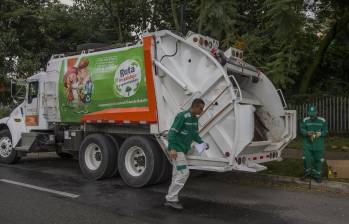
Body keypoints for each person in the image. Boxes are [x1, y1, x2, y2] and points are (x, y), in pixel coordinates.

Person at [165, 98, 208, 210]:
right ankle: (171, 199)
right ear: (195, 106)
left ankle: (170, 197)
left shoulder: (195, 119)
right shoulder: (182, 116)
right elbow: (172, 133)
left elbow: (194, 134)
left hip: (183, 150)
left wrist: (202, 143)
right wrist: (172, 148)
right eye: (201, 108)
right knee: (184, 173)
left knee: (176, 174)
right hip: (177, 150)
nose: (202, 111)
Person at [300, 105, 328, 183]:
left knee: (318, 161)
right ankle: (306, 173)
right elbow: (302, 129)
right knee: (306, 159)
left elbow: (326, 131)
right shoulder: (305, 120)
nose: (312, 115)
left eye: (313, 113)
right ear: (308, 113)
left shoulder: (322, 120)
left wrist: (321, 133)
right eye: (310, 114)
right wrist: (307, 132)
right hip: (307, 145)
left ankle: (317, 176)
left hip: (319, 145)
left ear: (317, 112)